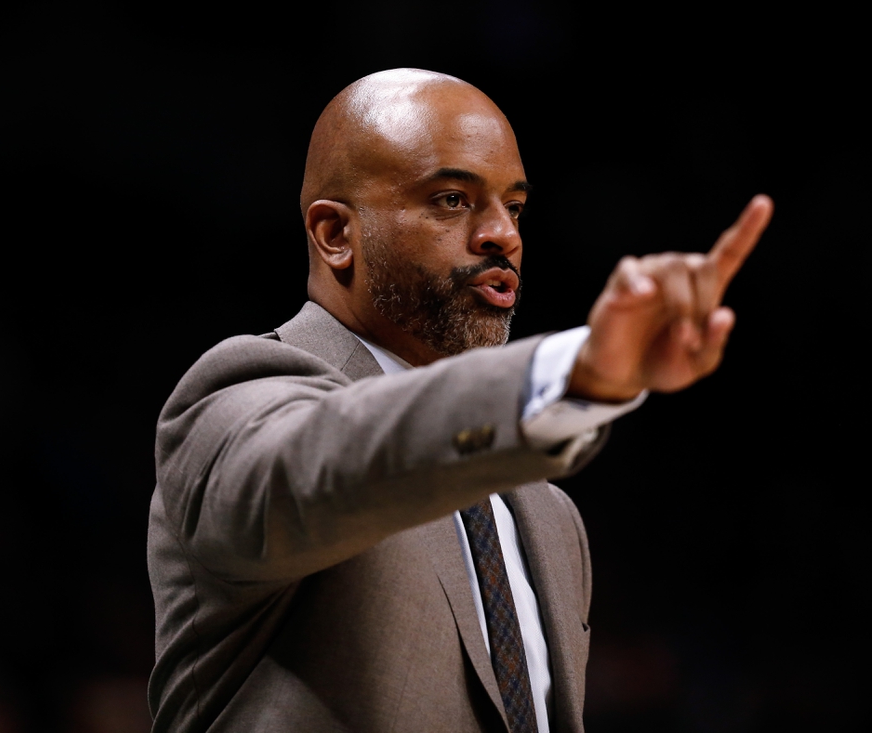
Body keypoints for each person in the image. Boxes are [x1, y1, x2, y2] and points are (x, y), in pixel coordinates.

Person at [146, 68, 772, 733]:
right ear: (335, 233)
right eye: (452, 199)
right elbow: (333, 459)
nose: (503, 233)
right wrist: (572, 372)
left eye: (515, 206)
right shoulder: (234, 405)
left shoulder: (550, 517)